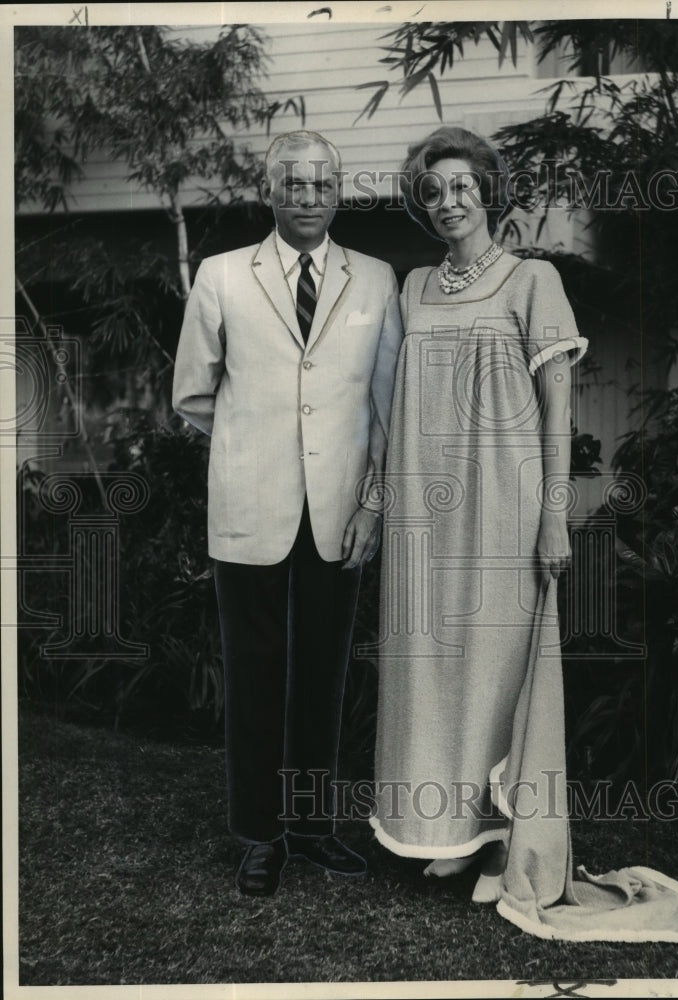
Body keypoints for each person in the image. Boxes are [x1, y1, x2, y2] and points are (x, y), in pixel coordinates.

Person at [369, 126, 678, 941]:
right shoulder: (414, 286)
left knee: (500, 669)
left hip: (505, 502)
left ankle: (506, 842)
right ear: (422, 207)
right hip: (427, 507)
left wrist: (551, 512)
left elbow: (558, 409)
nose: (448, 201)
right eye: (432, 191)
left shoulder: (534, 281)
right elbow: (394, 406)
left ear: (487, 192)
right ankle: (452, 832)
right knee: (432, 667)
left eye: (461, 186)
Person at [173, 130, 402, 896]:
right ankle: (260, 835)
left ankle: (311, 826)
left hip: (342, 512)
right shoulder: (222, 275)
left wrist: (372, 503)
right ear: (269, 192)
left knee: (322, 676)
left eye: (322, 184)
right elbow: (194, 394)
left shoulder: (374, 279)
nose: (308, 197)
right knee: (255, 673)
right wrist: (255, 448)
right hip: (251, 507)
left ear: (340, 192)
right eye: (293, 184)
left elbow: (386, 410)